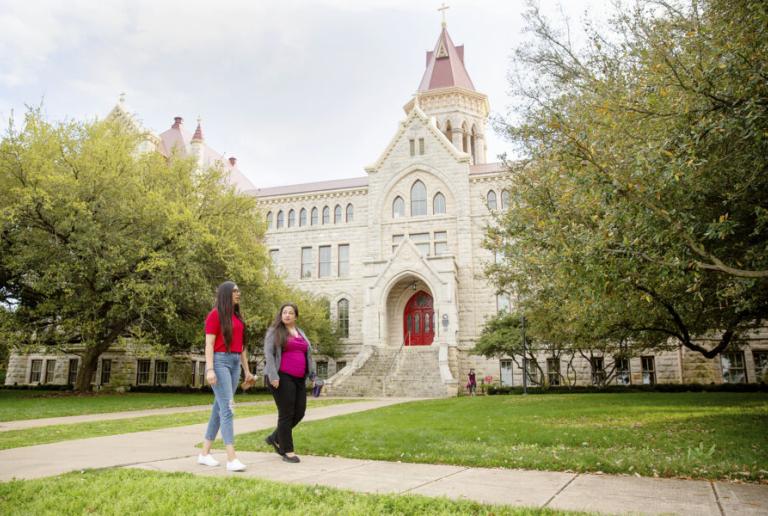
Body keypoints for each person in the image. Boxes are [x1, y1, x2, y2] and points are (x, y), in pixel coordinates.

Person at [197, 281, 255, 472]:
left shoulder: (237, 317)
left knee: (219, 408)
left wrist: (247, 371)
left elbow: (242, 348)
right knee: (228, 408)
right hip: (220, 362)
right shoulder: (215, 315)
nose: (238, 293)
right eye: (235, 291)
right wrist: (210, 369)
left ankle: (204, 454)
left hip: (235, 363)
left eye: (239, 290)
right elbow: (209, 345)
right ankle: (231, 457)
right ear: (225, 294)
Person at [263, 302, 316, 463]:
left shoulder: (301, 332)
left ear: (296, 316)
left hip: (299, 378)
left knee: (299, 412)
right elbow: (269, 354)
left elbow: (308, 355)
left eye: (290, 313)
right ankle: (287, 451)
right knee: (286, 414)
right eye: (284, 312)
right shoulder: (275, 332)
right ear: (281, 315)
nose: (287, 315)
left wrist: (313, 376)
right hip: (281, 377)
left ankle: (275, 437)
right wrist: (273, 376)